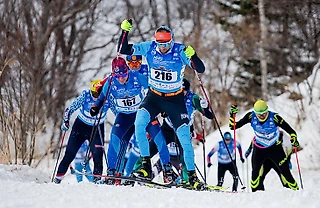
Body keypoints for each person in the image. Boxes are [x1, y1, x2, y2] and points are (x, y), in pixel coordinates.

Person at [118, 19, 206, 190]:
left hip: (174, 100)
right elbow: (123, 50)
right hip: (154, 97)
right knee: (139, 124)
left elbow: (200, 69)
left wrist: (193, 55)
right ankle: (145, 167)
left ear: (171, 40)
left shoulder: (179, 51)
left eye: (166, 44)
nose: (163, 47)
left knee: (184, 140)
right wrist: (124, 32)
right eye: (160, 44)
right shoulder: (149, 47)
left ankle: (192, 177)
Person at [90, 57, 173, 184]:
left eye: (124, 74)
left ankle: (167, 169)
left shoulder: (136, 77)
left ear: (127, 70)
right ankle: (111, 172)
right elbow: (101, 98)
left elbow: (154, 89)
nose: (121, 78)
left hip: (143, 112)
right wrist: (96, 107)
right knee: (114, 139)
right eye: (118, 75)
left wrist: (163, 106)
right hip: (124, 116)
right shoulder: (111, 82)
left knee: (159, 138)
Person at [229, 100, 300, 192]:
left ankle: (296, 192)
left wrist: (294, 139)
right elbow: (233, 126)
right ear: (255, 113)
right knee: (255, 174)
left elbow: (291, 131)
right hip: (259, 148)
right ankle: (255, 195)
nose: (262, 116)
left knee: (286, 173)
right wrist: (232, 115)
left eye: (264, 113)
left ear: (267, 110)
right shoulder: (251, 116)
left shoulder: (275, 118)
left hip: (275, 148)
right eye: (259, 114)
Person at [53, 80, 107, 184]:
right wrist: (66, 122)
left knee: (97, 155)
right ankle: (57, 180)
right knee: (70, 154)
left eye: (99, 94)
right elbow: (70, 109)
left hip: (97, 128)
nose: (96, 97)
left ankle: (97, 181)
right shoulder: (86, 95)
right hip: (81, 126)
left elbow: (118, 112)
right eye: (94, 94)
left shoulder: (107, 99)